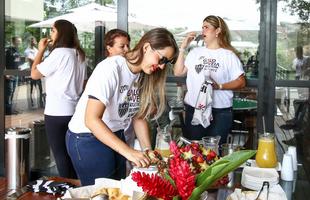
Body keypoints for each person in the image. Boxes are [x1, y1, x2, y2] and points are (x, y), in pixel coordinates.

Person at [66, 27, 179, 186]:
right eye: (161, 59)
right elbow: (91, 119)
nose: (161, 67)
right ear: (146, 47)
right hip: (87, 138)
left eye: (165, 63)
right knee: (102, 194)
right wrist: (129, 152)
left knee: (118, 190)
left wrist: (147, 152)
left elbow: (138, 117)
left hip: (116, 134)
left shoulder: (142, 75)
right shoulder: (111, 68)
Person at [174, 15, 246, 144]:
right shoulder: (195, 53)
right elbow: (179, 73)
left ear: (217, 31)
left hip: (220, 112)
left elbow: (241, 82)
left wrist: (219, 86)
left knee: (216, 154)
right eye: (202, 28)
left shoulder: (229, 55)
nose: (203, 31)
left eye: (206, 27)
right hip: (194, 109)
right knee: (194, 153)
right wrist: (183, 48)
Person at [31, 19, 87, 179]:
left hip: (56, 112)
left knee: (60, 155)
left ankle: (66, 189)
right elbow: (83, 84)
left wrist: (40, 50)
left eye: (53, 30)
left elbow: (34, 74)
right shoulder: (80, 55)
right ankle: (76, 187)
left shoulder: (60, 53)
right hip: (74, 111)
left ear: (61, 33)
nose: (50, 34)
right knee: (72, 154)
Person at [5, 36, 23, 115]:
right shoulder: (8, 50)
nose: (20, 42)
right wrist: (6, 73)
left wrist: (19, 67)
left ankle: (10, 109)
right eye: (18, 41)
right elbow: (3, 62)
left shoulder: (17, 50)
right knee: (9, 93)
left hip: (16, 74)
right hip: (9, 75)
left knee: (12, 92)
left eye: (20, 41)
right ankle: (7, 110)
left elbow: (16, 61)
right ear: (13, 42)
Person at [24, 37, 43, 108]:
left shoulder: (36, 50)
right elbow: (31, 60)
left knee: (40, 89)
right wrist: (37, 60)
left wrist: (37, 60)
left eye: (34, 41)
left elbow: (38, 60)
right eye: (31, 41)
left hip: (37, 71)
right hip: (31, 72)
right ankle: (31, 104)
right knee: (31, 89)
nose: (33, 42)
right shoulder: (27, 51)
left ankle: (40, 102)